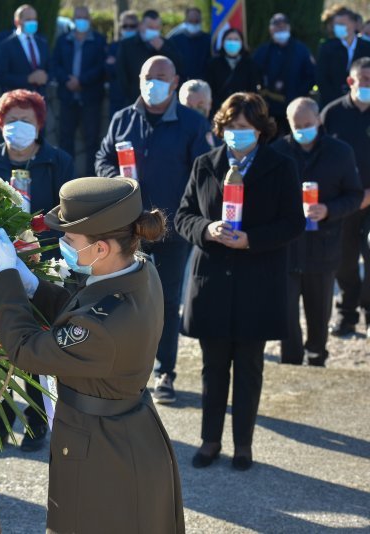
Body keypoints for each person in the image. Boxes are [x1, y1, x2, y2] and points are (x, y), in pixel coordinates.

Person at [0, 177, 184, 533]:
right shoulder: (138, 272)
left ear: (102, 248)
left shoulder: (105, 324)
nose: (62, 245)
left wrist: (8, 275)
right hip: (123, 435)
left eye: (70, 240)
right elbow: (82, 311)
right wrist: (31, 285)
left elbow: (25, 349)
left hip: (104, 452)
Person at [175, 92, 305, 471]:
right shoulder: (205, 164)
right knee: (212, 366)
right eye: (231, 128)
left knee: (249, 366)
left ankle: (243, 445)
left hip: (257, 280)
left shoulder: (280, 166)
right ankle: (209, 440)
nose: (236, 134)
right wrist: (206, 228)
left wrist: (253, 239)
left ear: (260, 131)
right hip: (212, 279)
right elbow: (183, 215)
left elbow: (293, 223)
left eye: (244, 128)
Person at [96, 56, 210, 404]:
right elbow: (102, 159)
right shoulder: (123, 119)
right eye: (148, 76)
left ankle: (165, 372)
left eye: (161, 77)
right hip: (128, 228)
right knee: (126, 298)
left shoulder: (191, 123)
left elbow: (204, 171)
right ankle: (129, 368)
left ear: (175, 82)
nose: (154, 82)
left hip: (173, 229)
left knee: (167, 300)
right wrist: (116, 180)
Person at [0, 89, 74, 452]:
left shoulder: (58, 160)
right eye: (12, 120)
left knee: (33, 344)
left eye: (26, 120)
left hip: (42, 265)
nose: (19, 127)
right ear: (1, 123)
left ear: (39, 125)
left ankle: (36, 422)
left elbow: (68, 212)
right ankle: (0, 423)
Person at [272, 97, 363, 366]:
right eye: (296, 125)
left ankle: (317, 358)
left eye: (307, 124)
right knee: (286, 317)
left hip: (324, 248)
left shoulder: (340, 152)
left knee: (319, 316)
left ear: (319, 120)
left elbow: (354, 195)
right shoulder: (278, 151)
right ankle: (290, 362)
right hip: (287, 249)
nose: (302, 129)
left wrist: (328, 210)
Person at [320, 57, 370, 337]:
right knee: (345, 260)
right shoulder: (332, 113)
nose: (368, 84)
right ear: (350, 81)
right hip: (342, 202)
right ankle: (347, 314)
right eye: (363, 79)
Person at [51, 5, 107, 175]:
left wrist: (82, 81)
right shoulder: (63, 40)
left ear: (89, 19)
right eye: (77, 18)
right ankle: (67, 178)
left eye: (84, 17)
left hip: (90, 97)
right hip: (67, 97)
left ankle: (91, 180)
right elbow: (55, 64)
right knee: (65, 140)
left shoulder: (99, 40)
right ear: (73, 20)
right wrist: (67, 80)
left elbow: (101, 67)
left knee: (92, 142)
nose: (80, 21)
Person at [253, 13, 316, 136]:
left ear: (289, 28)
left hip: (295, 104)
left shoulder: (301, 50)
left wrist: (299, 93)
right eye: (277, 27)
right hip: (269, 107)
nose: (280, 30)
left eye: (283, 27)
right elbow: (253, 74)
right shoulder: (263, 51)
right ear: (270, 29)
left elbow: (312, 75)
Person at [116, 10, 183, 104]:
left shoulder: (167, 44)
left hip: (162, 100)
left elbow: (179, 66)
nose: (154, 31)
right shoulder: (127, 45)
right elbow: (122, 74)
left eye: (157, 28)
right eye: (150, 27)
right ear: (141, 26)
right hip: (135, 99)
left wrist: (162, 48)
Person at [317, 7, 370, 108]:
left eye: (342, 24)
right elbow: (321, 77)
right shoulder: (327, 47)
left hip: (362, 102)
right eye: (336, 25)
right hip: (331, 102)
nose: (339, 28)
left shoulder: (367, 47)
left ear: (354, 24)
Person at [0, 4, 50, 95]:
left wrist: (45, 77)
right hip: (17, 101)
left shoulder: (42, 43)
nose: (32, 22)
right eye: (28, 19)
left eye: (34, 19)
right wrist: (28, 79)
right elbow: (1, 77)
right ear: (17, 22)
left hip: (39, 99)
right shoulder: (6, 46)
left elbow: (50, 68)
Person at [205, 28, 261, 116]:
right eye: (229, 39)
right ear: (223, 42)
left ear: (242, 43)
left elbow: (253, 90)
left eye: (236, 39)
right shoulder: (213, 64)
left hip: (244, 112)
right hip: (218, 111)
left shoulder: (250, 64)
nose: (232, 42)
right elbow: (209, 89)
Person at [105, 10, 139, 121]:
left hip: (136, 97)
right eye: (125, 26)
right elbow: (108, 70)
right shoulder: (114, 46)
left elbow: (136, 70)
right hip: (117, 97)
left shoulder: (142, 47)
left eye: (132, 26)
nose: (128, 29)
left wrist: (118, 63)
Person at [168, 6, 211, 81]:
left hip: (202, 82)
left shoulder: (208, 39)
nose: (194, 23)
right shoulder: (175, 40)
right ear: (185, 20)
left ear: (201, 21)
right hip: (181, 82)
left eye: (196, 21)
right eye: (191, 21)